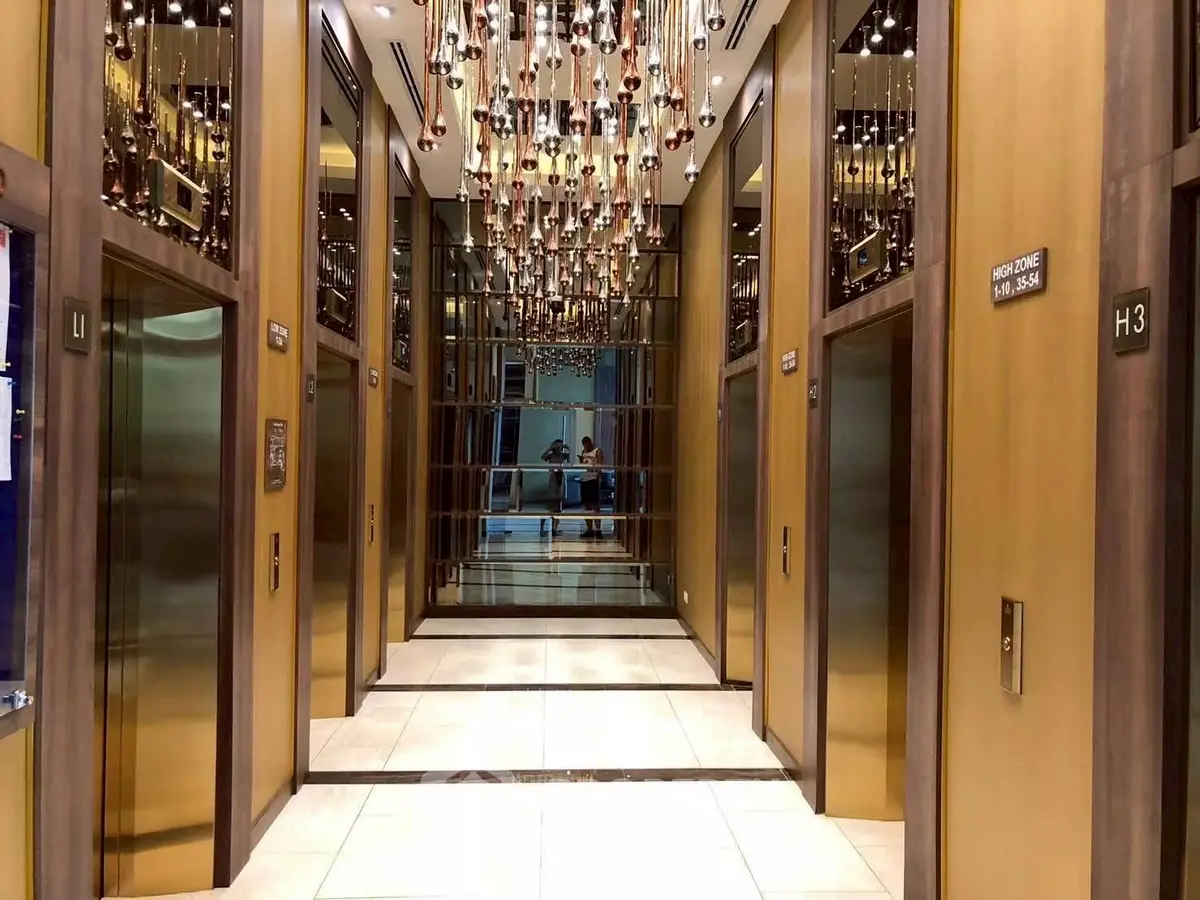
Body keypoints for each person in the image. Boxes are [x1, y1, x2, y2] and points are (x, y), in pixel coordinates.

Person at [540, 438, 569, 537]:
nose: (559, 447)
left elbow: (569, 457)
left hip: (560, 479)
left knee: (558, 507)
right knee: (551, 506)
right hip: (553, 480)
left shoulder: (563, 455)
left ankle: (554, 528)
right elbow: (543, 457)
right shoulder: (551, 455)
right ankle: (542, 528)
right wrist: (550, 448)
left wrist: (566, 447)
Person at [578, 436, 604, 538]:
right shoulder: (584, 452)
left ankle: (598, 529)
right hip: (585, 480)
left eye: (586, 444)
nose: (585, 446)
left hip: (593, 480)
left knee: (595, 505)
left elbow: (600, 465)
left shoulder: (597, 451)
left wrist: (598, 476)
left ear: (590, 443)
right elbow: (583, 465)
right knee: (587, 505)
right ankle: (589, 529)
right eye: (584, 445)